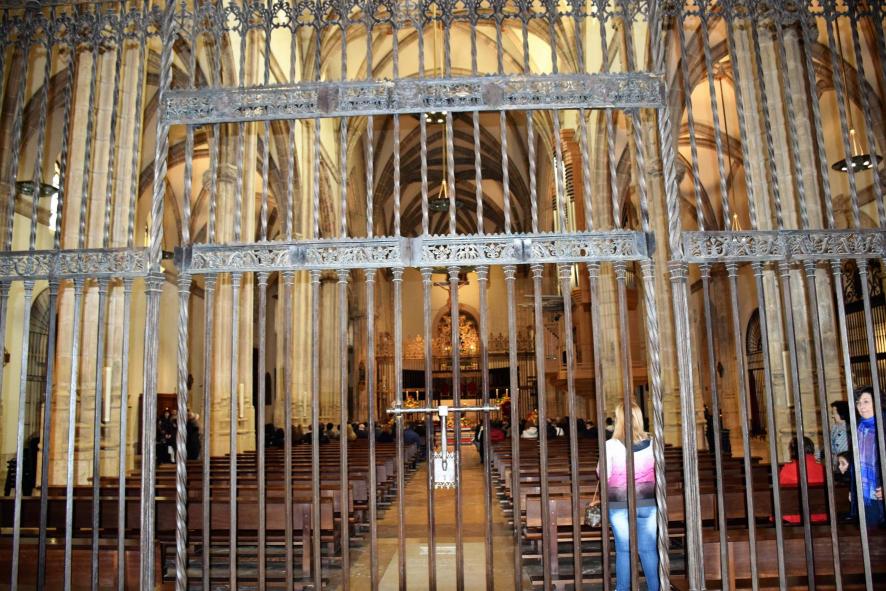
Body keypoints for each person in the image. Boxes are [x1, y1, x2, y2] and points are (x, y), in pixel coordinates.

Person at [600, 400, 658, 591]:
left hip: (619, 503)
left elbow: (603, 473)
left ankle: (623, 588)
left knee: (624, 550)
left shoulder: (611, 445)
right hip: (647, 501)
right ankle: (655, 588)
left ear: (619, 420)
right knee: (648, 549)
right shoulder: (653, 444)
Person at [851, 387, 885, 527]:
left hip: (880, 489)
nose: (862, 407)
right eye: (858, 403)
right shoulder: (858, 427)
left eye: (866, 402)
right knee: (871, 534)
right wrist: (853, 489)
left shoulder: (883, 425)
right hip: (865, 494)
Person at [778, 436, 826, 524]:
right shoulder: (822, 469)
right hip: (822, 515)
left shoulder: (787, 469)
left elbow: (780, 495)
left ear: (793, 451)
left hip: (795, 517)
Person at [829, 400, 850, 465]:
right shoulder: (834, 428)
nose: (833, 416)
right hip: (837, 463)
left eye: (834, 413)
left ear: (842, 413)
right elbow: (830, 447)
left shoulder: (852, 427)